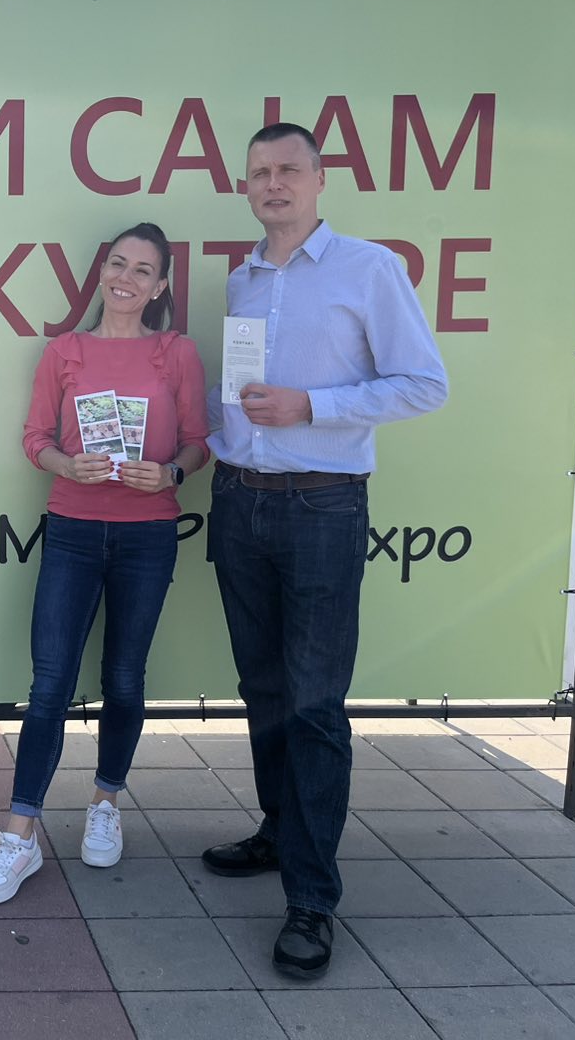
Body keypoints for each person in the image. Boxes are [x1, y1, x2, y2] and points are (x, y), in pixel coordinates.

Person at [202, 123, 447, 979]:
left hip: (322, 506)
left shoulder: (369, 269)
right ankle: (279, 833)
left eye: (288, 170)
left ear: (319, 178)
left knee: (313, 705)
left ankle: (311, 899)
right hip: (239, 502)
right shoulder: (242, 278)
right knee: (264, 690)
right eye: (258, 173)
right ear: (246, 186)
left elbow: (425, 384)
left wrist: (313, 406)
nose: (273, 184)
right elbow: (237, 396)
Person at [0, 223, 209, 905]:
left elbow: (199, 442)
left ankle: (106, 802)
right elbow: (34, 438)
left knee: (125, 679)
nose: (125, 279)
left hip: (148, 534)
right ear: (101, 271)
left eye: (142, 270)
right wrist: (64, 463)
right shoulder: (65, 351)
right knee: (50, 682)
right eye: (117, 264)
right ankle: (21, 834)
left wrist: (169, 473)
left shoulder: (176, 352)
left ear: (160, 286)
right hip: (73, 528)